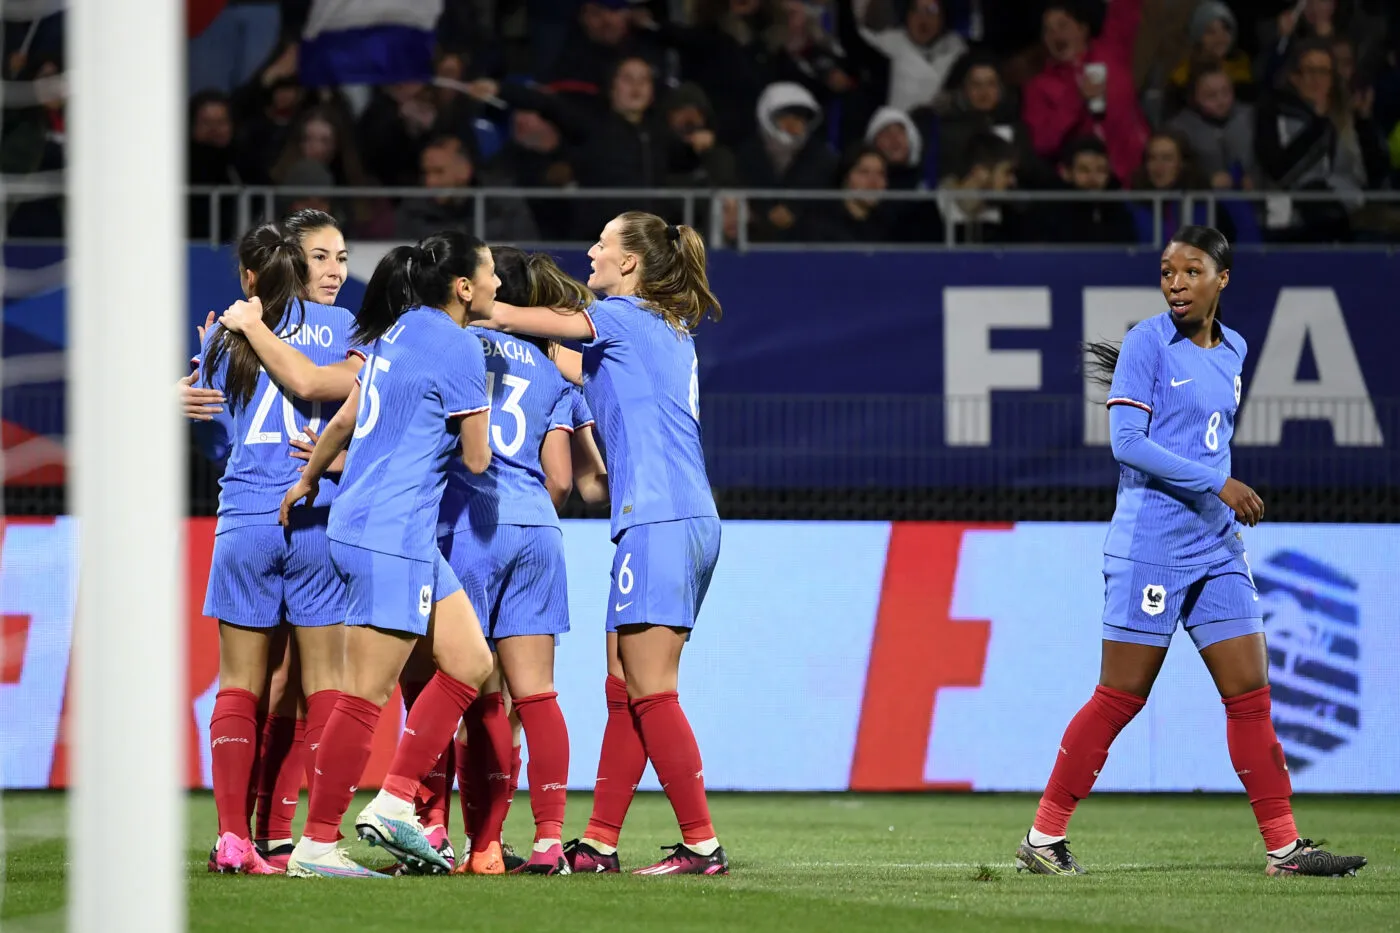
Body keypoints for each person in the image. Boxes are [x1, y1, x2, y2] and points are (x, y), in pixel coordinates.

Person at [1016, 225, 1369, 880]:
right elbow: (1128, 441)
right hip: (1151, 546)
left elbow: (1206, 441)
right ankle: (1043, 835)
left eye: (1190, 269)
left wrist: (1218, 497)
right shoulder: (1148, 343)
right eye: (1167, 271)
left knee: (1250, 694)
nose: (1175, 281)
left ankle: (1285, 848)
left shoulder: (1234, 347)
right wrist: (1219, 483)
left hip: (1215, 548)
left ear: (1222, 278)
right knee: (1121, 695)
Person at [235, 231, 500, 879]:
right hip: (394, 528)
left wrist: (308, 477)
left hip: (369, 518)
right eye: (490, 274)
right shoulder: (462, 346)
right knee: (366, 692)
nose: (497, 284)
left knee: (470, 660)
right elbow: (476, 458)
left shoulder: (401, 328)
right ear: (462, 287)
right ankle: (318, 842)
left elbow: (346, 417)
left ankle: (394, 798)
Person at [483, 212, 727, 876]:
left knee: (652, 688)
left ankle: (701, 844)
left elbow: (540, 324)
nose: (591, 251)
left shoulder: (622, 316)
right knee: (623, 685)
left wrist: (479, 301)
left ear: (631, 265)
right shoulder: (659, 328)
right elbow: (570, 365)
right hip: (672, 514)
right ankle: (597, 842)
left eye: (604, 243)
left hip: (660, 518)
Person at [182, 209, 352, 872]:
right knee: (328, 685)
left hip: (245, 519)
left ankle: (233, 838)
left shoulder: (228, 339)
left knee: (240, 684)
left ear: (253, 276)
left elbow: (214, 441)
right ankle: (319, 839)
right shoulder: (347, 330)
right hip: (317, 516)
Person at [434, 246, 598, 877]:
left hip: (469, 525)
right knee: (538, 696)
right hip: (537, 528)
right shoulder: (555, 370)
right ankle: (550, 841)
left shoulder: (455, 346)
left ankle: (466, 842)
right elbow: (561, 479)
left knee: (465, 696)